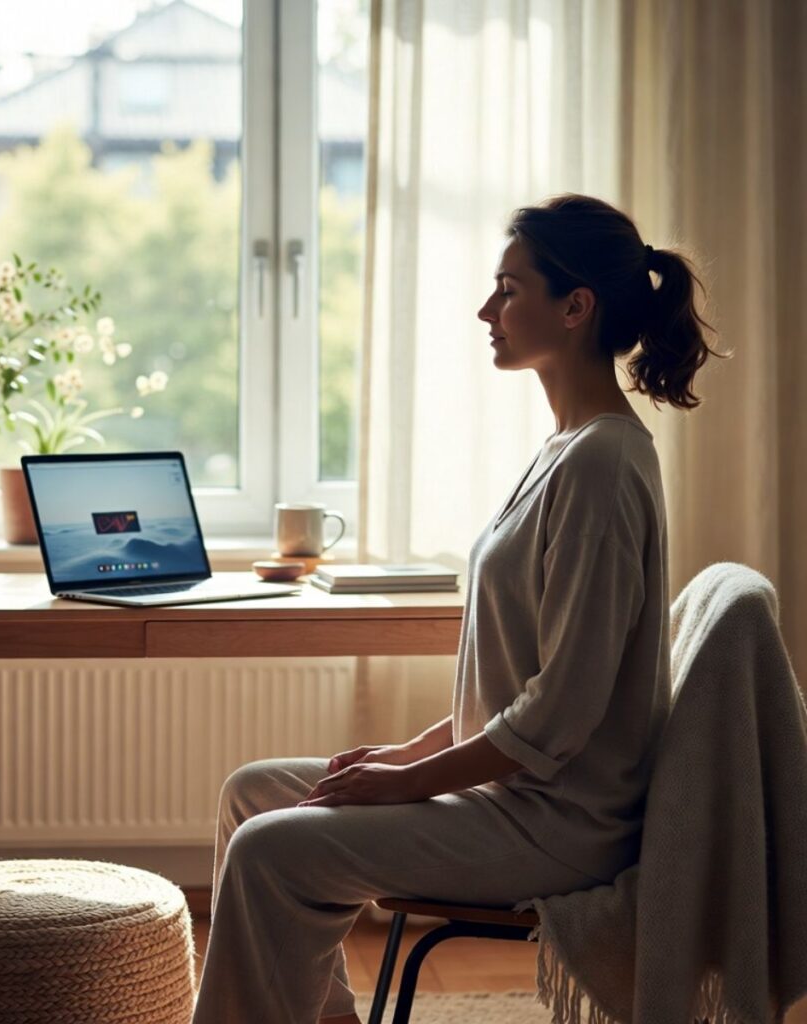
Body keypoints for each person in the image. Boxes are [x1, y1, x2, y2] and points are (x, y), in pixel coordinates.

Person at [191, 194, 723, 1024]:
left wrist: (404, 782)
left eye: (509, 289)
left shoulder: (603, 468)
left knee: (270, 847)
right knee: (252, 794)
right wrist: (404, 754)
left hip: (558, 825)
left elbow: (562, 710)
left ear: (576, 307)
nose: (488, 309)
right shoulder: (565, 449)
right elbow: (518, 687)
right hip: (513, 797)